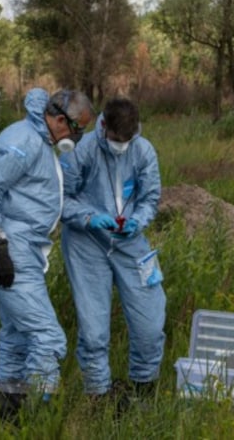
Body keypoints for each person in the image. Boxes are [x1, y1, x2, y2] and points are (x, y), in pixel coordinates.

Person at [0, 87, 94, 421]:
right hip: (11, 249)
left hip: (24, 247)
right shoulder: (25, 142)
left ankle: (9, 417)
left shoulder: (40, 140)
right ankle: (41, 417)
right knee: (48, 338)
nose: (77, 137)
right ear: (59, 120)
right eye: (76, 130)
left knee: (15, 335)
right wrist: (0, 246)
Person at [60, 97, 166, 410]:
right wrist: (91, 217)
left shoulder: (143, 151)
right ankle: (99, 396)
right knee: (94, 329)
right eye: (116, 140)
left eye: (127, 140)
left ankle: (143, 389)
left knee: (151, 319)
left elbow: (150, 198)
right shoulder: (80, 150)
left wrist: (138, 221)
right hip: (86, 242)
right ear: (103, 126)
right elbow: (61, 198)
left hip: (130, 242)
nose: (121, 145)